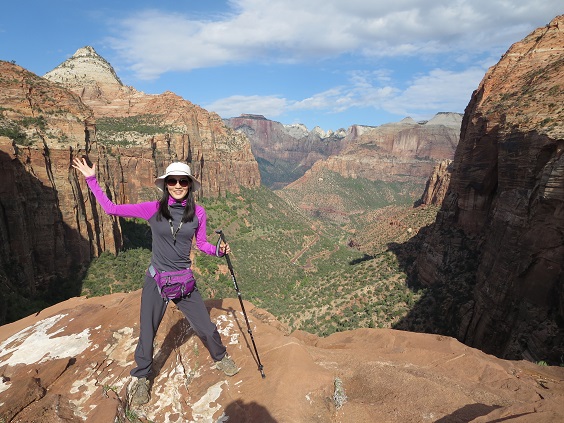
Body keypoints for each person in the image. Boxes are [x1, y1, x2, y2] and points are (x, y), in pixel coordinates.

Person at [72, 158, 239, 406]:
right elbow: (111, 209)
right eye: (173, 181)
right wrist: (91, 179)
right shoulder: (152, 209)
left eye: (183, 181)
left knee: (206, 327)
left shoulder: (198, 212)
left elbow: (201, 243)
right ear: (166, 184)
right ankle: (142, 377)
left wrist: (218, 251)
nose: (178, 185)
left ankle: (220, 356)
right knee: (147, 332)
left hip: (183, 282)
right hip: (157, 280)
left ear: (190, 185)